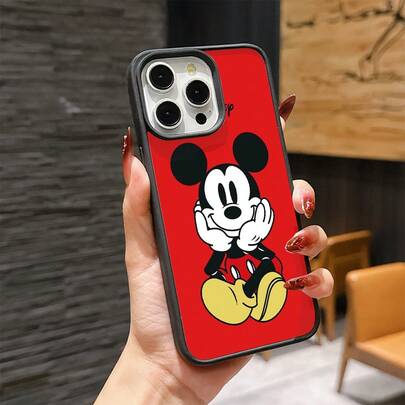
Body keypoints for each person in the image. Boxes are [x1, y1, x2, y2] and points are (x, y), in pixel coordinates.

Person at [95, 95, 334, 404]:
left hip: (261, 287)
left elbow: (270, 260)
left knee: (273, 280)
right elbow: (210, 269)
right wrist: (157, 371)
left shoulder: (253, 236)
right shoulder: (217, 243)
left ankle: (264, 296)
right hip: (228, 293)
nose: (232, 209)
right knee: (213, 289)